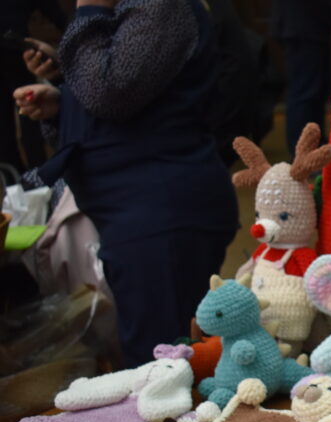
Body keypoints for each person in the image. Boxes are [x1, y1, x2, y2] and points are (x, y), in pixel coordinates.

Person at [13, 0, 239, 369]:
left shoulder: (159, 7)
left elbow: (110, 92)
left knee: (162, 369)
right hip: (138, 213)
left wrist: (90, 11)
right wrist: (63, 102)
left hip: (161, 211)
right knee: (153, 361)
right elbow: (123, 99)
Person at [0, 0, 65, 171]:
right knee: (28, 109)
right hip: (16, 50)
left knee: (30, 107)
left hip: (18, 52)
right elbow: (53, 11)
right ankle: (25, 173)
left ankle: (26, 173)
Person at [270, 0, 331, 156]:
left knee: (314, 93)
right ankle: (302, 152)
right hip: (303, 25)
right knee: (305, 94)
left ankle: (313, 146)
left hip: (308, 26)